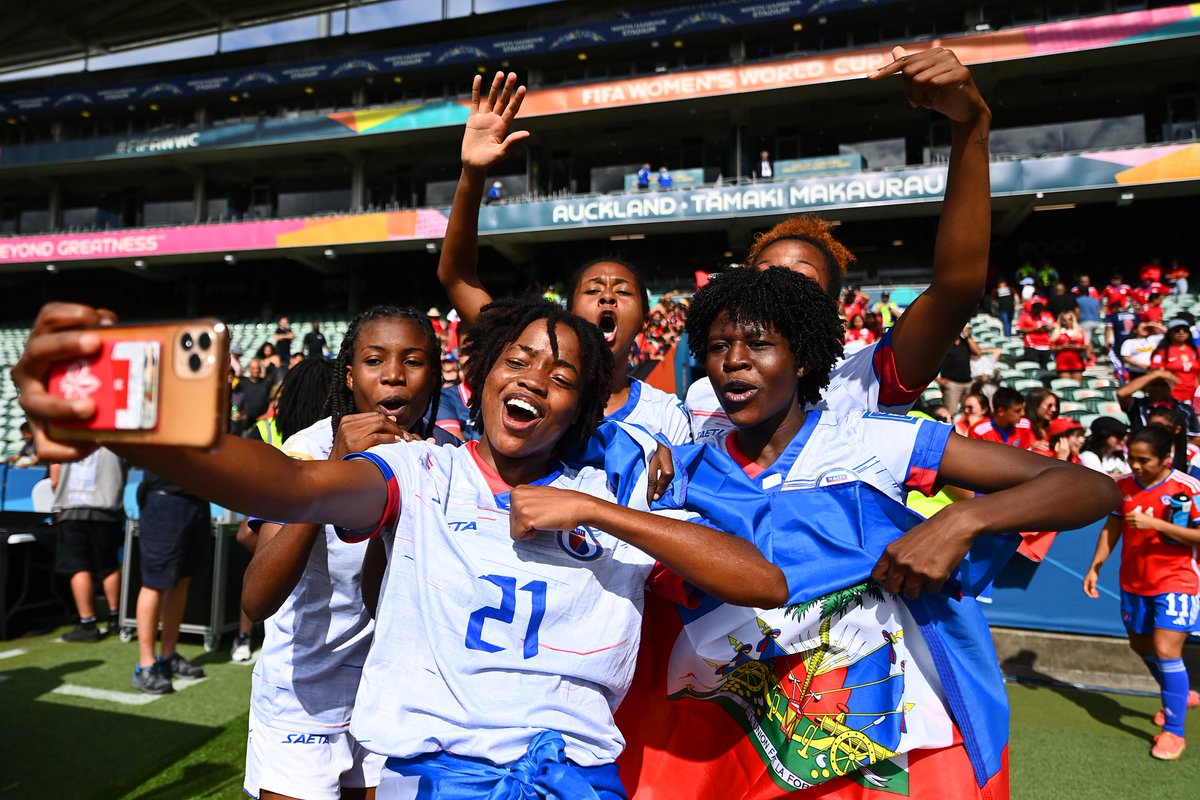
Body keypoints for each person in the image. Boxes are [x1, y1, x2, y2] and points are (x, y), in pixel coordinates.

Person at [13, 298, 789, 797]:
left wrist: (594, 510)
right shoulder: (421, 470)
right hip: (433, 779)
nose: (533, 379)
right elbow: (287, 487)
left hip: (577, 779)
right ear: (481, 375)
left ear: (582, 406)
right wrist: (136, 427)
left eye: (560, 375)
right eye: (517, 360)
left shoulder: (615, 493)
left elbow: (762, 580)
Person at [614, 265, 1117, 798]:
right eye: (718, 346)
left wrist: (962, 518)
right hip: (744, 742)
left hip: (890, 736)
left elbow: (1090, 488)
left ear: (803, 357)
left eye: (759, 344)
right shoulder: (685, 468)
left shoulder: (871, 441)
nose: (734, 360)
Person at [688, 45, 994, 441]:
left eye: (800, 275)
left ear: (832, 308)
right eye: (764, 274)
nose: (779, 284)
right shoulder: (704, 393)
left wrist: (971, 125)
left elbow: (956, 290)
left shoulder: (863, 378)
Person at [240, 306, 452, 800]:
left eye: (413, 360)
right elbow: (255, 599)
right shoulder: (306, 450)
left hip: (400, 696)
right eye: (375, 360)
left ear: (435, 373)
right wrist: (332, 474)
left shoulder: (448, 458)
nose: (394, 374)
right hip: (304, 696)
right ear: (350, 375)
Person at [436, 72, 690, 445]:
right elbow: (457, 276)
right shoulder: (527, 369)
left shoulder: (667, 415)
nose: (607, 297)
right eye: (593, 290)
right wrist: (472, 175)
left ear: (646, 319)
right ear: (569, 311)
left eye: (622, 291)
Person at [1083, 426, 1200, 760]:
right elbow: (1113, 526)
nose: (1134, 465)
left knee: (1166, 650)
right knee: (1141, 645)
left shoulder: (1189, 488)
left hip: (1177, 580)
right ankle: (1178, 693)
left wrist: (1158, 525)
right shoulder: (1122, 486)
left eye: (1143, 460)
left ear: (1166, 459)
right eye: (1130, 457)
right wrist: (1095, 566)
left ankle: (1173, 733)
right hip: (1133, 582)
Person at [132, 468, 210, 693]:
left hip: (197, 499)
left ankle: (168, 656)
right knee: (155, 583)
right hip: (164, 498)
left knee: (181, 581)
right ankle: (145, 665)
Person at [51, 447, 128, 642]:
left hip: (72, 506)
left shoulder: (67, 434)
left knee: (79, 567)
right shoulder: (115, 436)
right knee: (109, 564)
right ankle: (115, 618)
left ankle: (88, 623)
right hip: (107, 507)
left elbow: (55, 477)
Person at [1118, 368, 1200, 439]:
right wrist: (1155, 374)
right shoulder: (1137, 405)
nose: (1158, 389)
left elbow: (1195, 437)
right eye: (1154, 385)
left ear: (1172, 387)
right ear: (1147, 387)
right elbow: (1121, 393)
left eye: (1163, 385)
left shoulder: (1185, 409)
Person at [1149, 319, 1200, 404]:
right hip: (1172, 396)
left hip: (1193, 396)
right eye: (1177, 330)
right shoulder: (1162, 351)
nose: (1181, 332)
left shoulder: (1196, 351)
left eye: (1185, 330)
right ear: (1170, 333)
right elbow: (1155, 373)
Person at [968, 386, 1034, 448]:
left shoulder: (1024, 425)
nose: (1023, 414)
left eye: (1023, 409)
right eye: (1017, 411)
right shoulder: (978, 431)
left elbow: (1025, 456)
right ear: (1001, 411)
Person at [938, 326, 981, 416]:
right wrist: (938, 380)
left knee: (971, 412)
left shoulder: (965, 343)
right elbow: (930, 362)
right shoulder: (944, 344)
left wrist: (968, 336)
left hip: (968, 382)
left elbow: (977, 352)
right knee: (951, 412)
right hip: (952, 384)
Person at [1016, 301, 1055, 370]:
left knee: (1046, 366)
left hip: (1046, 345)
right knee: (1031, 366)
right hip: (1031, 345)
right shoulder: (1024, 317)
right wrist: (1035, 329)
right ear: (1032, 309)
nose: (1038, 311)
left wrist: (1047, 328)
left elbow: (1054, 326)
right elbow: (1019, 330)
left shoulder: (1047, 316)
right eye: (1036, 309)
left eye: (1040, 309)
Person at [1051, 310, 1089, 380]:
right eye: (1064, 320)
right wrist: (1062, 347)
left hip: (1077, 362)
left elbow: (1086, 346)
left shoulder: (1080, 332)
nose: (1067, 322)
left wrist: (1078, 346)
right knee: (1066, 385)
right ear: (1061, 321)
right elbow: (1051, 348)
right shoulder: (1057, 332)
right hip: (1062, 362)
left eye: (1070, 319)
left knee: (1076, 386)